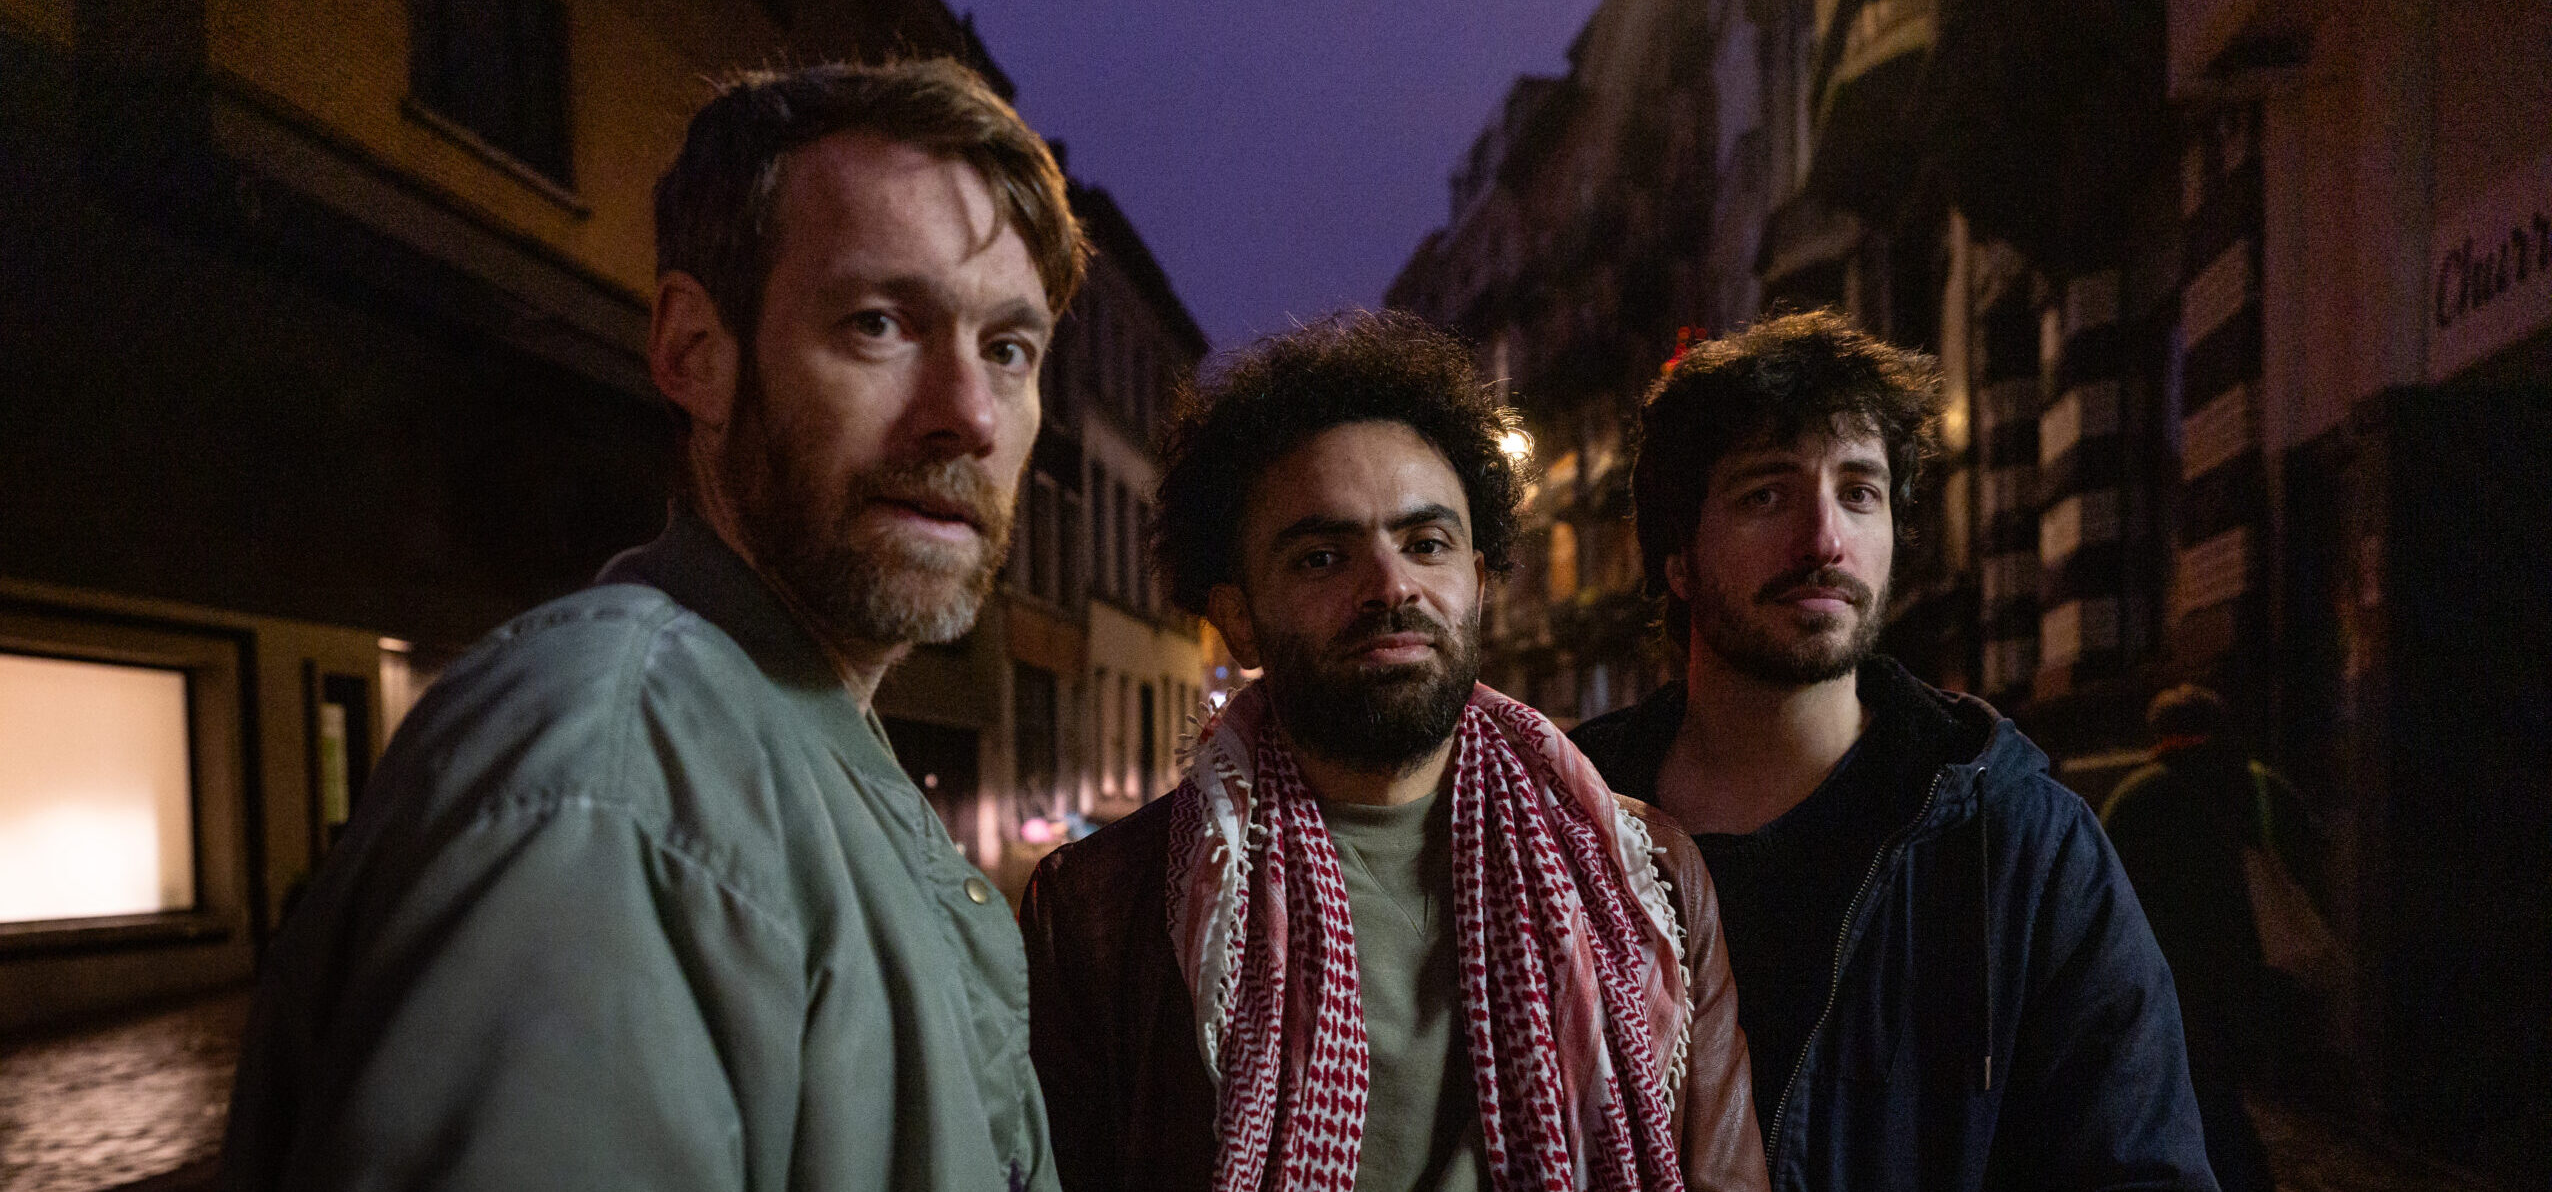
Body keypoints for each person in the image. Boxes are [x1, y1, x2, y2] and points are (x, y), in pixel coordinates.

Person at [223, 59, 1086, 1190]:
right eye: (879, 324)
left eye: (1009, 350)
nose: (969, 415)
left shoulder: (785, 749)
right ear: (694, 353)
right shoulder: (617, 780)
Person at [1020, 312, 1768, 1192]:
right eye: (1322, 557)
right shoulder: (1101, 915)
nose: (1390, 586)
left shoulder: (1647, 878)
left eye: (1426, 544)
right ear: (1238, 617)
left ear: (1476, 584)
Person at [1569, 310, 2216, 1191]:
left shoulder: (2016, 842)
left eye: (1859, 492)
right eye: (1766, 495)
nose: (1825, 540)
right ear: (1677, 557)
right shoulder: (1562, 827)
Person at [2100, 684, 2326, 1192]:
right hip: (2257, 973)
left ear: (2160, 733)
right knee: (2230, 1092)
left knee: (2203, 1096)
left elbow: (2105, 894)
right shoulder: (2263, 786)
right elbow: (2310, 859)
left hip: (2175, 981)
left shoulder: (2136, 798)